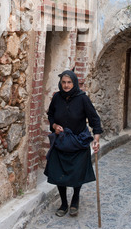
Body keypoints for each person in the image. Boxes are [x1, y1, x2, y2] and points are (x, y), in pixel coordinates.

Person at [44, 69, 103, 217]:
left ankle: (75, 200)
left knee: (77, 175)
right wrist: (54, 126)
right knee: (59, 174)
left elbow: (95, 119)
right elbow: (51, 114)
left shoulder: (83, 98)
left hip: (79, 142)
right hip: (61, 141)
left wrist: (96, 139)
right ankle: (63, 203)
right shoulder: (57, 97)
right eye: (63, 82)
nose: (66, 85)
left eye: (69, 82)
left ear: (74, 83)